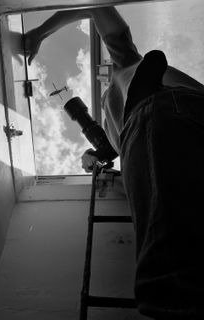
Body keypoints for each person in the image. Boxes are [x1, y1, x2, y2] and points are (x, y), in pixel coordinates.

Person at [24, 6, 204, 320]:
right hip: (168, 115)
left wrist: (40, 32)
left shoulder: (127, 63)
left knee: (173, 276)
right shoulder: (115, 121)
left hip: (159, 111)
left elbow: (99, 7)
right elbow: (101, 152)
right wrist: (94, 155)